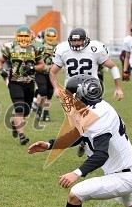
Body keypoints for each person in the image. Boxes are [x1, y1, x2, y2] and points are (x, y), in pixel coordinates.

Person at [28, 74, 132, 207]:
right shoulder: (96, 108)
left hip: (125, 174)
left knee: (76, 194)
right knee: (130, 203)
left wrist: (76, 173)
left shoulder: (100, 116)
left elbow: (101, 154)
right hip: (126, 169)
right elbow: (81, 135)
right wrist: (49, 145)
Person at [50, 27, 124, 157]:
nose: (77, 43)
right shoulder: (63, 50)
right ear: (70, 41)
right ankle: (84, 141)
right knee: (75, 123)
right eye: (74, 41)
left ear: (86, 40)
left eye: (80, 40)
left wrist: (118, 87)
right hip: (71, 90)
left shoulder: (95, 49)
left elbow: (112, 66)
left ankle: (92, 147)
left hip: (91, 89)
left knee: (94, 120)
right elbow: (52, 71)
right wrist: (56, 87)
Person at [0, 25, 45, 145]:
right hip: (14, 81)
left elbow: (42, 65)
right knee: (19, 108)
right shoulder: (10, 47)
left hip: (29, 82)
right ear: (16, 37)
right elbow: (0, 61)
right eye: (21, 36)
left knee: (26, 111)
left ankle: (15, 124)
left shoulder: (35, 48)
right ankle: (22, 136)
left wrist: (33, 67)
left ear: (30, 37)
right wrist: (1, 70)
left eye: (25, 36)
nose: (23, 39)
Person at [35, 27, 58, 122]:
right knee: (42, 91)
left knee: (49, 94)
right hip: (41, 72)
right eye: (49, 36)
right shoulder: (40, 45)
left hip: (51, 73)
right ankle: (39, 111)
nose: (51, 38)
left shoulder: (58, 47)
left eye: (53, 36)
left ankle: (46, 114)